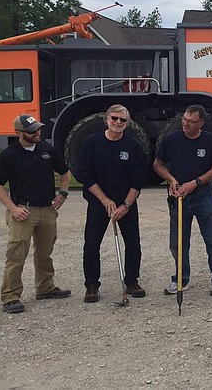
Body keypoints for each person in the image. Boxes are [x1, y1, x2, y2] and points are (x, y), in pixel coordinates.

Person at [73, 105, 148, 303]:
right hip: (99, 201)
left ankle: (131, 280)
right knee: (91, 244)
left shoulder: (133, 146)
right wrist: (105, 200)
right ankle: (91, 285)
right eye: (115, 118)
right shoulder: (92, 143)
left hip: (126, 203)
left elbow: (138, 180)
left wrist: (126, 205)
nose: (118, 123)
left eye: (123, 120)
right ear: (107, 119)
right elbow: (84, 175)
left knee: (133, 243)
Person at [0, 114, 72, 314]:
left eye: (38, 129)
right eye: (32, 131)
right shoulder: (9, 155)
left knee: (45, 252)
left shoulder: (47, 150)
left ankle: (45, 287)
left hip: (47, 209)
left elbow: (65, 173)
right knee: (16, 254)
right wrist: (13, 208)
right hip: (23, 211)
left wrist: (63, 194)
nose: (37, 133)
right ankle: (10, 296)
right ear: (19, 133)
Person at [153, 104, 212, 296]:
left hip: (203, 195)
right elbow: (158, 164)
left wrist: (195, 183)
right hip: (178, 195)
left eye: (190, 122)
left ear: (200, 123)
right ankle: (180, 278)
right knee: (177, 241)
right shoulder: (173, 139)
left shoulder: (210, 140)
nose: (185, 124)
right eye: (184, 120)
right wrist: (171, 179)